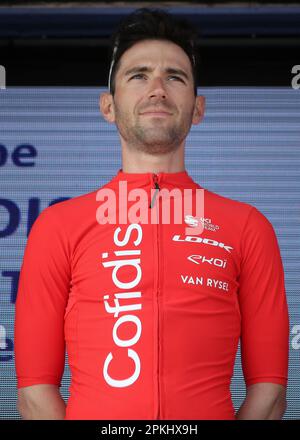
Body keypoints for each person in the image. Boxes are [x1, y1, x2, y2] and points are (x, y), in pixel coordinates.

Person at [14, 8, 289, 420]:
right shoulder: (58, 227)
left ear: (198, 108)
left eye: (175, 77)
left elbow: (269, 394)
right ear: (108, 106)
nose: (158, 89)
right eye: (138, 75)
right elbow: (35, 394)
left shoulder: (248, 227)